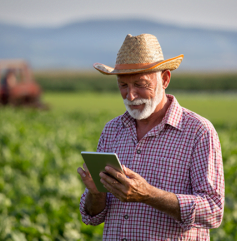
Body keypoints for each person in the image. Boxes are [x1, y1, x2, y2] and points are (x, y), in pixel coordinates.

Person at [77, 34, 224, 240]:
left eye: (140, 84)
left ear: (164, 79)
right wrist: (96, 194)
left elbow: (213, 211)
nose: (130, 96)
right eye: (123, 85)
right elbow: (93, 216)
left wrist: (148, 194)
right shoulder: (112, 130)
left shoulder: (198, 131)